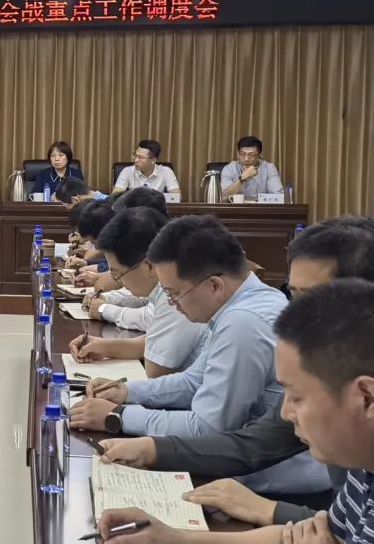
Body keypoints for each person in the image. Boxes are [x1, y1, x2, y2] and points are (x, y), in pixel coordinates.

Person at [94, 279, 374, 544]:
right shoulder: (362, 466)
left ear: (365, 397)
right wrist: (170, 542)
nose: (285, 413)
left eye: (297, 397)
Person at [99, 217, 374, 527]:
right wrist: (149, 444)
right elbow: (256, 442)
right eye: (294, 295)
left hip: (293, 493)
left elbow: (344, 536)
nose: (296, 313)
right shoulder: (317, 357)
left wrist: (268, 510)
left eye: (312, 298)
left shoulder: (247, 321)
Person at [72, 214, 328, 495]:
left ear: (214, 285)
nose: (173, 304)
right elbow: (194, 380)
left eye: (174, 294)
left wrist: (119, 416)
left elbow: (208, 427)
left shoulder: (244, 322)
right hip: (237, 468)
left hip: (270, 485)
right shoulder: (242, 304)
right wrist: (127, 392)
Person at [71, 207, 209, 377]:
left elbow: (155, 372)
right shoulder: (173, 282)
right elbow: (154, 339)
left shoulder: (178, 295)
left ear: (149, 266)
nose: (118, 281)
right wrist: (104, 346)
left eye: (117, 273)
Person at [221, 135, 285, 200]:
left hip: (261, 206)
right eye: (242, 154)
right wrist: (242, 178)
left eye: (251, 155)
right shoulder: (229, 169)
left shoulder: (269, 168)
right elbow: (223, 197)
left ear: (258, 155)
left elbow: (278, 196)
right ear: (238, 154)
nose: (246, 159)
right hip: (237, 206)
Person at [112, 139, 181, 197]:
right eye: (135, 156)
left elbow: (177, 197)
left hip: (156, 207)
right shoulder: (127, 171)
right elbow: (115, 196)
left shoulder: (166, 172)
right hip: (134, 208)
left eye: (141, 157)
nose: (136, 160)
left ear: (153, 160)